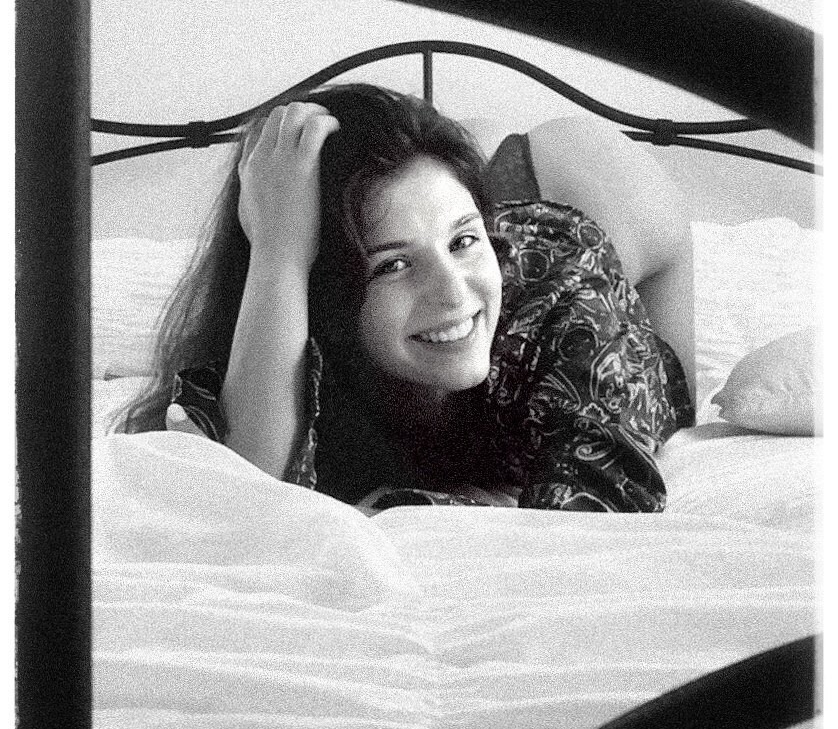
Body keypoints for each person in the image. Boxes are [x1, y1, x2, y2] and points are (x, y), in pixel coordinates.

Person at [122, 83, 695, 512]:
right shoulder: (294, 298)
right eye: (391, 266)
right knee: (432, 225)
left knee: (567, 158)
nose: (451, 291)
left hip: (590, 204)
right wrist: (278, 251)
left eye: (465, 242)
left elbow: (595, 506)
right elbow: (254, 490)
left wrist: (393, 506)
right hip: (446, 205)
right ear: (321, 292)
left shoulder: (565, 300)